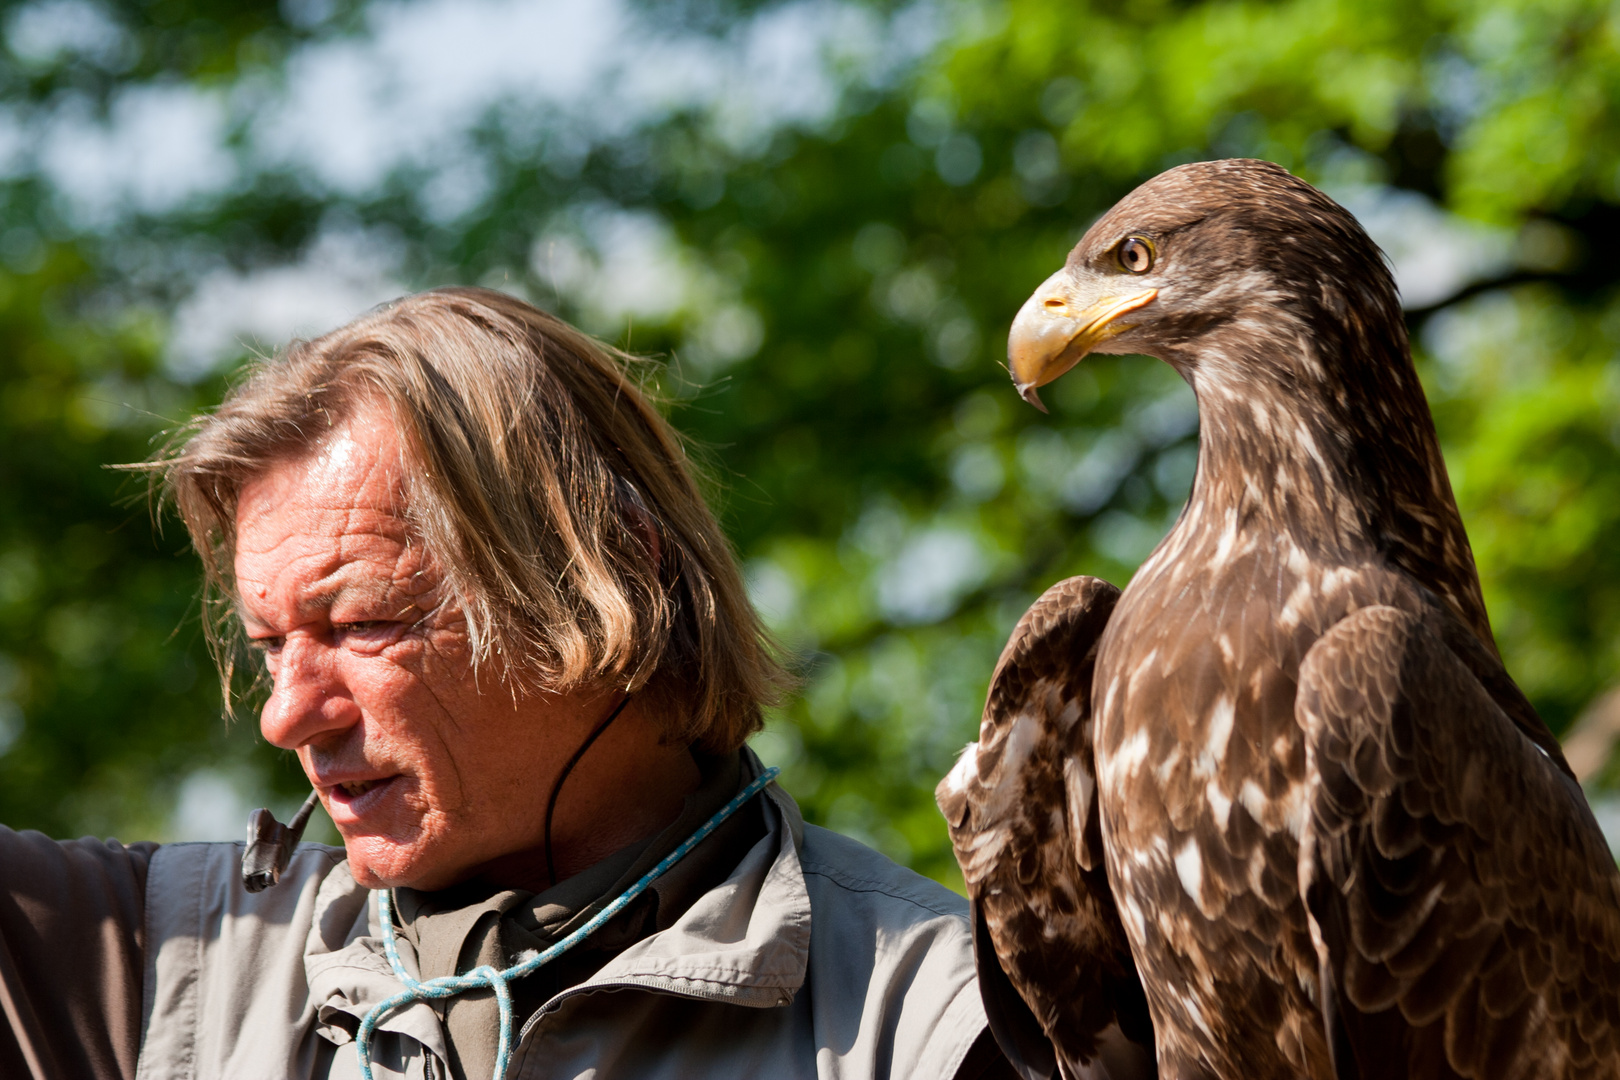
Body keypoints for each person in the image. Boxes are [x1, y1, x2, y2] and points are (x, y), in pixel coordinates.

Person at [0, 287, 1010, 1080]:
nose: (285, 714)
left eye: (359, 625)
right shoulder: (168, 962)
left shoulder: (942, 1020)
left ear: (607, 575)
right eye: (269, 644)